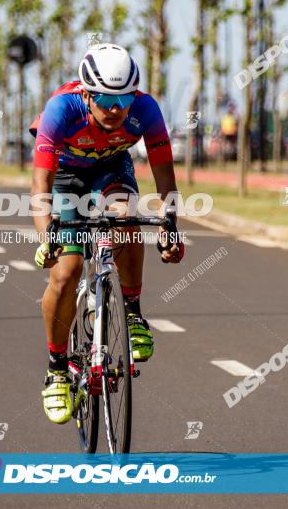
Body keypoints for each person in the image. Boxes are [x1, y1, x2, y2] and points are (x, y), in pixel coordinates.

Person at [29, 43, 185, 425]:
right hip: (66, 178)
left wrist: (170, 225)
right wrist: (47, 233)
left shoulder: (145, 109)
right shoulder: (62, 110)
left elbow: (164, 173)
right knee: (65, 271)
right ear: (86, 93)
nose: (116, 109)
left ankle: (132, 313)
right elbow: (41, 183)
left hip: (112, 169)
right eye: (104, 98)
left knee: (127, 217)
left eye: (123, 99)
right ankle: (57, 369)